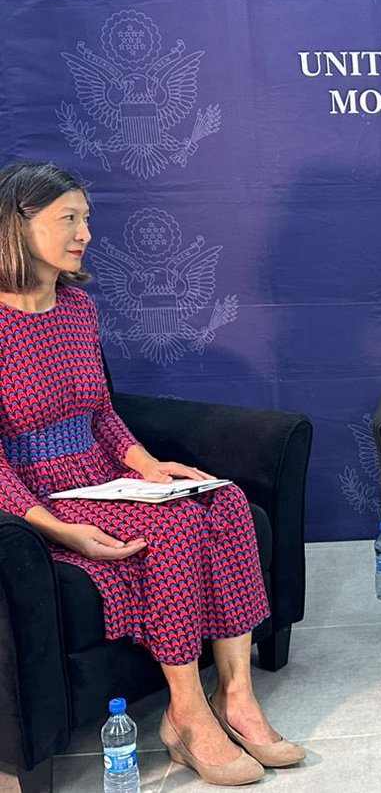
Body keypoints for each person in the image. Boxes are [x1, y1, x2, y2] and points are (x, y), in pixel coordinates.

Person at [0, 161, 305, 786]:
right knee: (172, 528)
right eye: (69, 219)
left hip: (100, 472)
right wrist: (57, 529)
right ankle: (185, 716)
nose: (86, 233)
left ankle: (236, 698)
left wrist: (147, 464)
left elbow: (101, 413)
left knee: (225, 502)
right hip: (39, 491)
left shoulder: (77, 307)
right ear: (16, 225)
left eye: (87, 218)